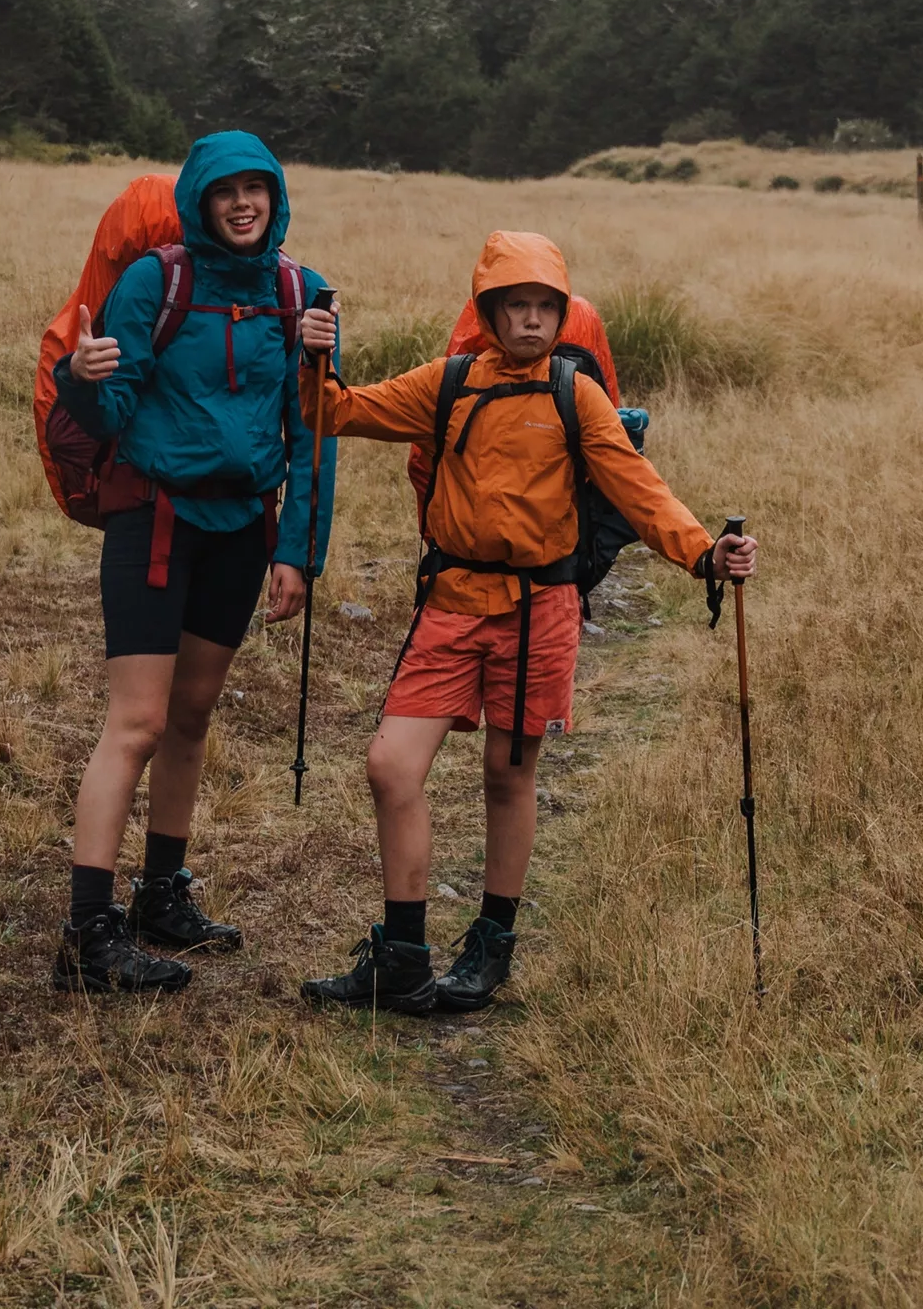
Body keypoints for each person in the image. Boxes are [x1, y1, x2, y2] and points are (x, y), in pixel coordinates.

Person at [292, 232, 754, 1014]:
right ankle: (403, 957)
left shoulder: (577, 395)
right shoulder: (448, 383)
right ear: (490, 312)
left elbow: (638, 489)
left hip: (541, 610)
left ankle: (490, 947)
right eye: (518, 306)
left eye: (547, 306)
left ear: (562, 315)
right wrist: (315, 357)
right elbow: (331, 414)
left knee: (509, 776)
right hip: (452, 604)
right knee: (391, 766)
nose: (534, 321)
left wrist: (704, 554)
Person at [51, 133, 336, 994]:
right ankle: (87, 937)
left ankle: (161, 895)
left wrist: (299, 550)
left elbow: (312, 432)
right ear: (200, 200)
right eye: (227, 192)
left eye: (258, 189)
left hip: (245, 530)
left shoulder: (300, 293)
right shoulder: (157, 280)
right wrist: (83, 376)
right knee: (136, 722)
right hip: (156, 520)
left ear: (275, 198)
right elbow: (108, 415)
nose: (243, 204)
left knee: (193, 714)